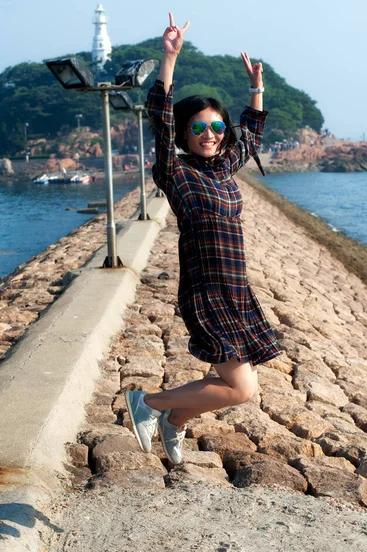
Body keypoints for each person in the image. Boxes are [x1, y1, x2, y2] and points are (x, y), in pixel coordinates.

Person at [126, 13, 281, 465]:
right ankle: (151, 404)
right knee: (241, 389)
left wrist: (256, 88)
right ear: (185, 134)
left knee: (234, 384)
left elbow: (250, 133)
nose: (209, 135)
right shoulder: (176, 171)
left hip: (236, 290)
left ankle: (176, 423)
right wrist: (169, 58)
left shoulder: (223, 168)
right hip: (206, 291)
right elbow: (159, 116)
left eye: (215, 127)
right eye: (198, 128)